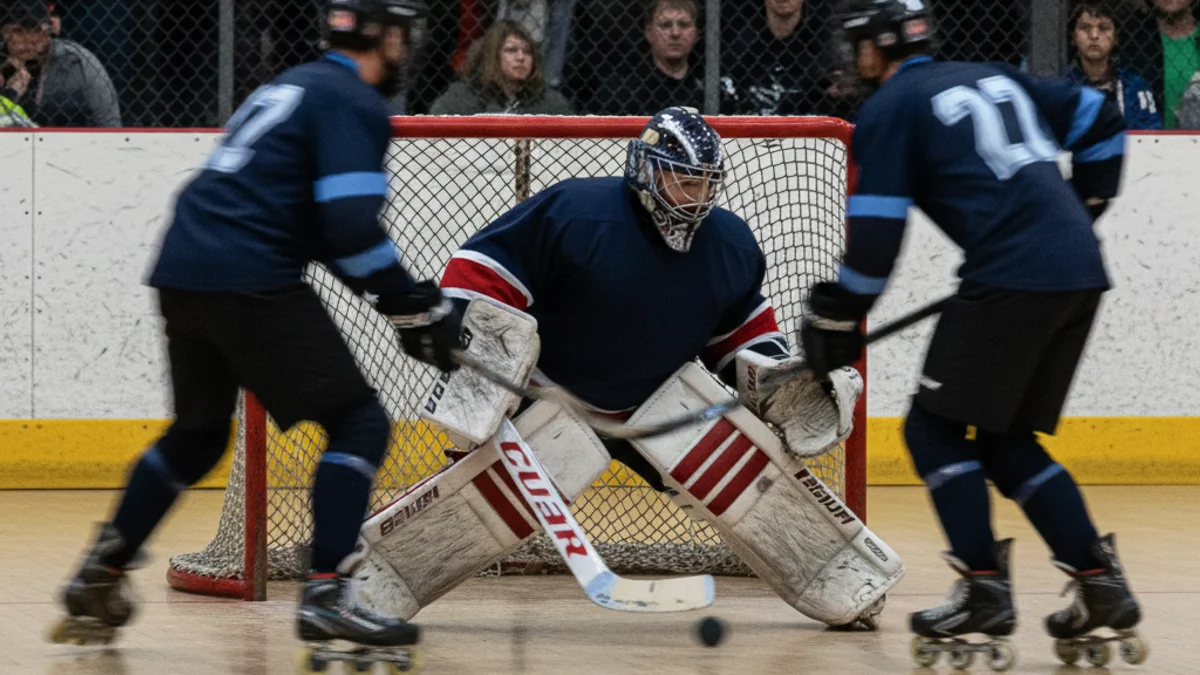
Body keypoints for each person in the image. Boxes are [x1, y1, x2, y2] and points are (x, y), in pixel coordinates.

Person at [50, 0, 460, 657]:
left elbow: (323, 228)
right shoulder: (353, 101)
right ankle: (328, 595)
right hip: (248, 274)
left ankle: (101, 570)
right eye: (402, 39)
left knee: (197, 434)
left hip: (183, 266)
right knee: (360, 423)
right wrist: (412, 303)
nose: (406, 53)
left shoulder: (291, 84)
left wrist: (403, 305)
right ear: (383, 38)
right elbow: (350, 226)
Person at [412, 106, 898, 631]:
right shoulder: (577, 214)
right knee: (476, 506)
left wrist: (782, 379)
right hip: (550, 397)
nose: (697, 197)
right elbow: (473, 274)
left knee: (756, 483)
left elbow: (741, 337)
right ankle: (381, 579)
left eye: (706, 184)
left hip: (658, 403)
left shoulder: (729, 243)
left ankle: (847, 577)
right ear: (645, 170)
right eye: (684, 181)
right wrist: (484, 369)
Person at [800, 0, 1146, 665]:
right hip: (1078, 266)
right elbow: (1101, 119)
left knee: (931, 430)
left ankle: (982, 588)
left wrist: (835, 315)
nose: (855, 60)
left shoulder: (891, 109)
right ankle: (1100, 585)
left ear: (878, 46)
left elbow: (874, 245)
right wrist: (1083, 210)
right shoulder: (992, 75)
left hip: (1013, 274)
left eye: (859, 46)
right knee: (1004, 438)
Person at [0, 0, 120, 127]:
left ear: (50, 30)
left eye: (37, 30)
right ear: (4, 34)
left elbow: (110, 123)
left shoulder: (77, 63)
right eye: (19, 31)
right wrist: (11, 95)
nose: (30, 39)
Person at [429, 20, 572, 114]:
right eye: (511, 50)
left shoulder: (548, 102)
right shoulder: (461, 96)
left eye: (527, 52)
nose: (521, 57)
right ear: (493, 56)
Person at [591, 0, 707, 115]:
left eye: (684, 25)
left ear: (696, 34)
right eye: (665, 25)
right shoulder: (623, 90)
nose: (675, 33)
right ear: (649, 32)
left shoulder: (708, 87)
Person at [1066, 1, 1162, 130]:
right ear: (1073, 37)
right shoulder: (1063, 83)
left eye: (1103, 28)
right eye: (1085, 28)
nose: (1094, 36)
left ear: (1116, 38)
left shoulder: (1134, 85)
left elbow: (1150, 133)